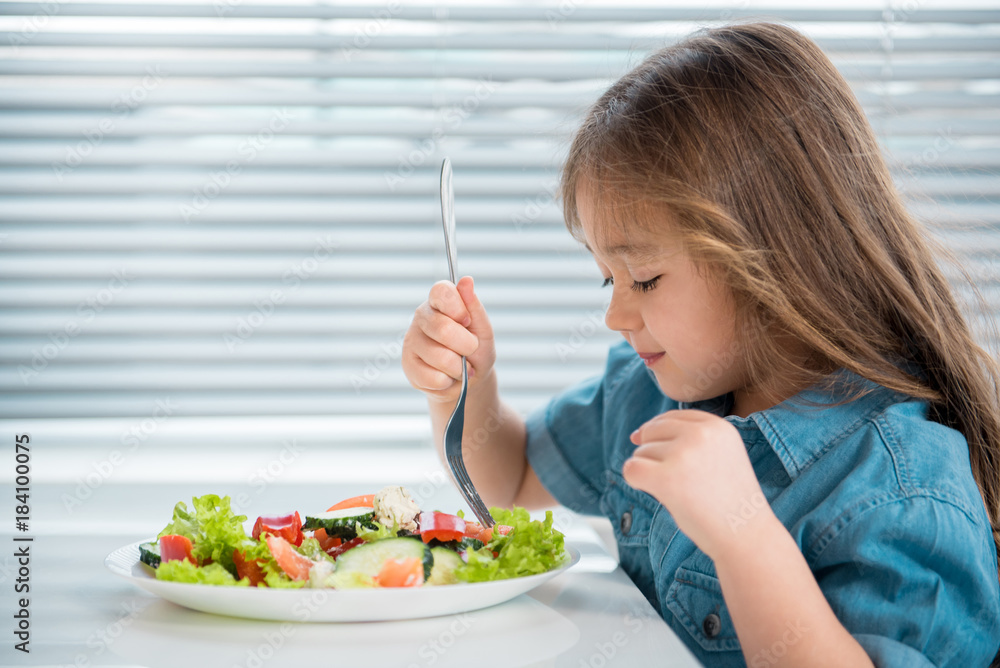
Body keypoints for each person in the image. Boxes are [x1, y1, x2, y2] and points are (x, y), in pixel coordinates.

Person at [401, 21, 1000, 668]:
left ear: (773, 261)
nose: (615, 314)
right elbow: (512, 478)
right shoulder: (648, 391)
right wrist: (464, 388)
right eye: (610, 278)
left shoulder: (898, 486)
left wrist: (742, 531)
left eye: (645, 279)